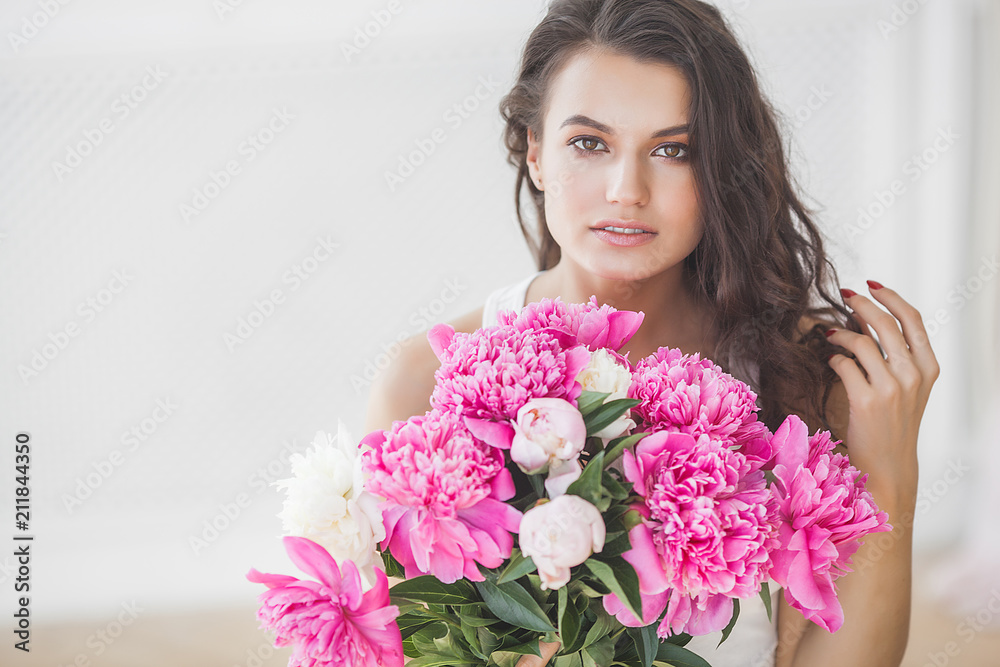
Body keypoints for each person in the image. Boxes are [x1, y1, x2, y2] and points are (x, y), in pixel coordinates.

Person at [364, 1, 940, 665]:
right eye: (589, 143)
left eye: (673, 150)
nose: (625, 189)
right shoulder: (421, 381)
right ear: (535, 152)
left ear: (720, 168)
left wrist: (890, 475)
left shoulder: (804, 372)